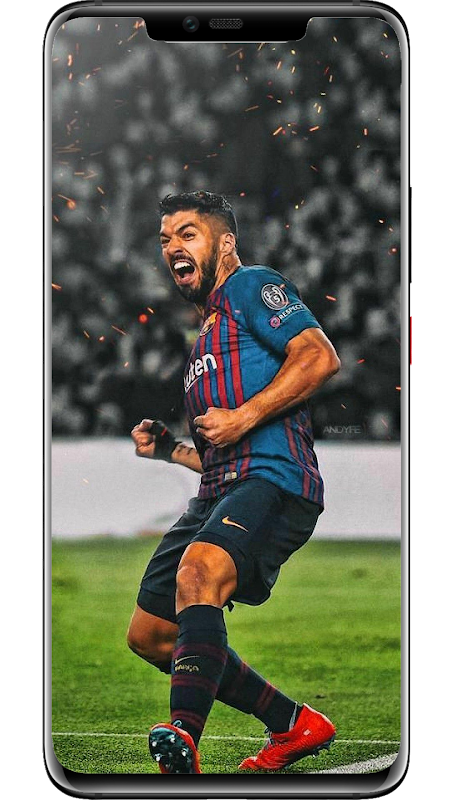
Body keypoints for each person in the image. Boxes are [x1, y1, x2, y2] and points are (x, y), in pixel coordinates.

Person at [127, 190, 341, 774]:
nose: (172, 247)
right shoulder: (206, 336)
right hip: (221, 488)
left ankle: (183, 736)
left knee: (199, 571)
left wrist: (244, 416)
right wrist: (171, 451)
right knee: (151, 634)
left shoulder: (250, 286)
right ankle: (293, 723)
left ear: (224, 244)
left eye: (187, 234)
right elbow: (219, 452)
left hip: (275, 479)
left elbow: (319, 356)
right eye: (165, 239)